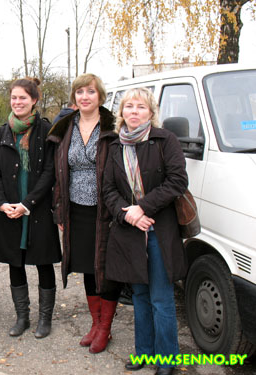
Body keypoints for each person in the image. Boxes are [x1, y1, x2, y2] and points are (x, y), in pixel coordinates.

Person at [103, 88, 188, 375]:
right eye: (129, 106)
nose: (134, 111)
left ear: (151, 112)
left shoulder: (166, 141)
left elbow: (177, 181)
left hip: (159, 230)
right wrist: (128, 215)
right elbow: (108, 190)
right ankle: (145, 353)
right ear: (121, 112)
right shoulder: (115, 146)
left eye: (140, 107)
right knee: (139, 296)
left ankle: (167, 360)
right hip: (130, 232)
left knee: (160, 298)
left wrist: (143, 208)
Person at [47, 73, 122, 354]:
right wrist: (60, 212)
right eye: (79, 92)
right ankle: (95, 322)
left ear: (99, 96)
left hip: (107, 210)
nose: (85, 96)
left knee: (106, 268)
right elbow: (58, 172)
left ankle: (105, 328)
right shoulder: (66, 127)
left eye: (90, 91)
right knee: (87, 266)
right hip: (75, 209)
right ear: (74, 98)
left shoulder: (113, 126)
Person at [0, 77, 61, 339]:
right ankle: (22, 318)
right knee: (14, 264)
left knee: (43, 263)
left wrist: (27, 203)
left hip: (36, 209)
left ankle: (45, 319)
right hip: (9, 210)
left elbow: (50, 172)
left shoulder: (45, 129)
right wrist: (1, 204)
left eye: (23, 98)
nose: (17, 102)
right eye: (14, 98)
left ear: (34, 101)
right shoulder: (3, 131)